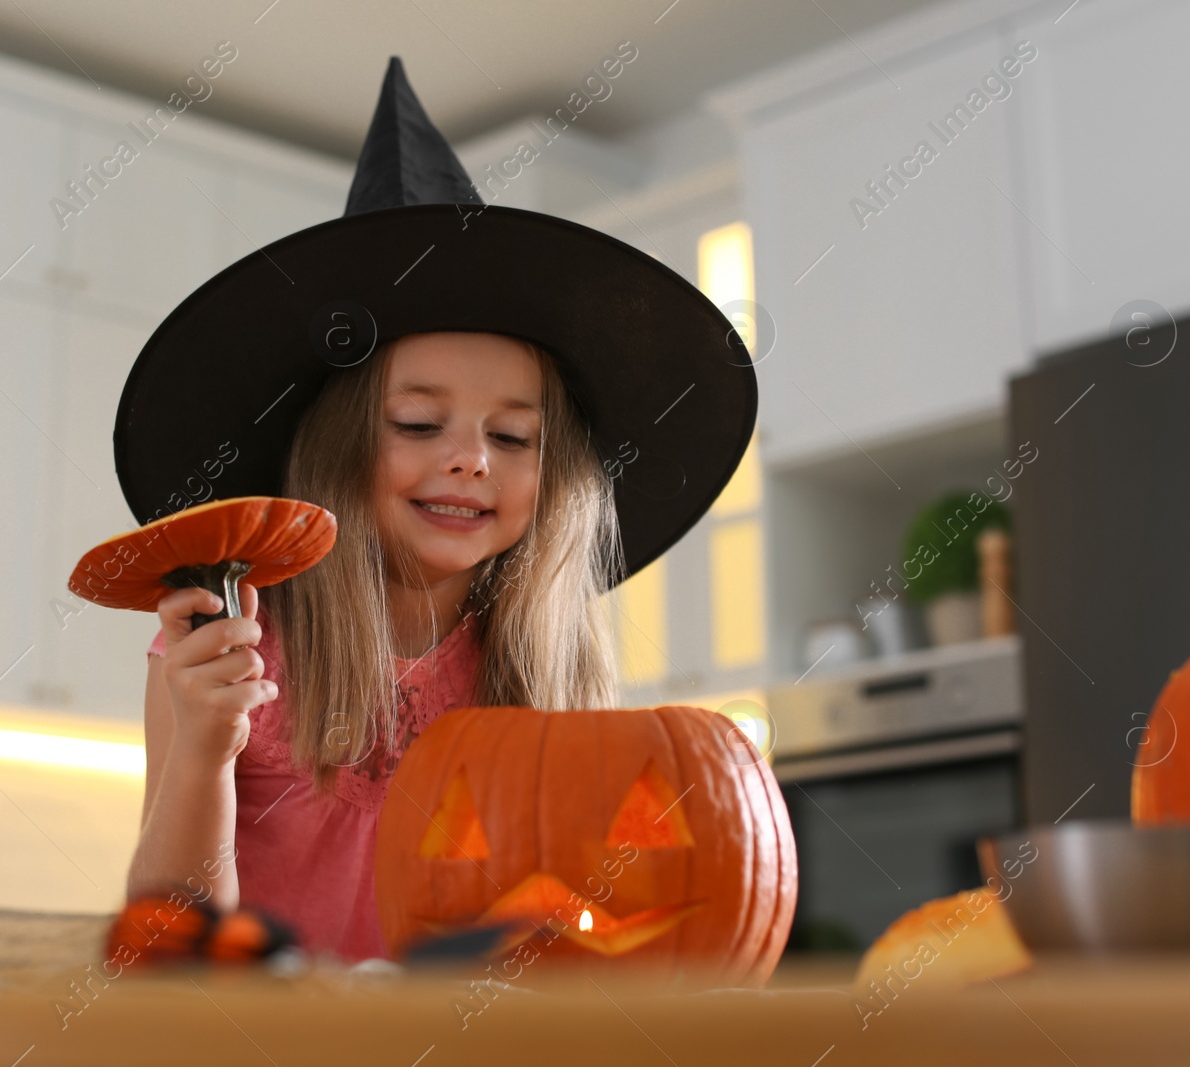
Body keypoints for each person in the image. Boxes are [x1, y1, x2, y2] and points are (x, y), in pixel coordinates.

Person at [111, 56, 757, 961]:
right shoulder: (238, 643)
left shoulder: (543, 661)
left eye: (515, 437)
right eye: (419, 421)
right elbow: (169, 940)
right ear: (336, 448)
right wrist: (204, 751)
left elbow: (574, 927)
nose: (469, 458)